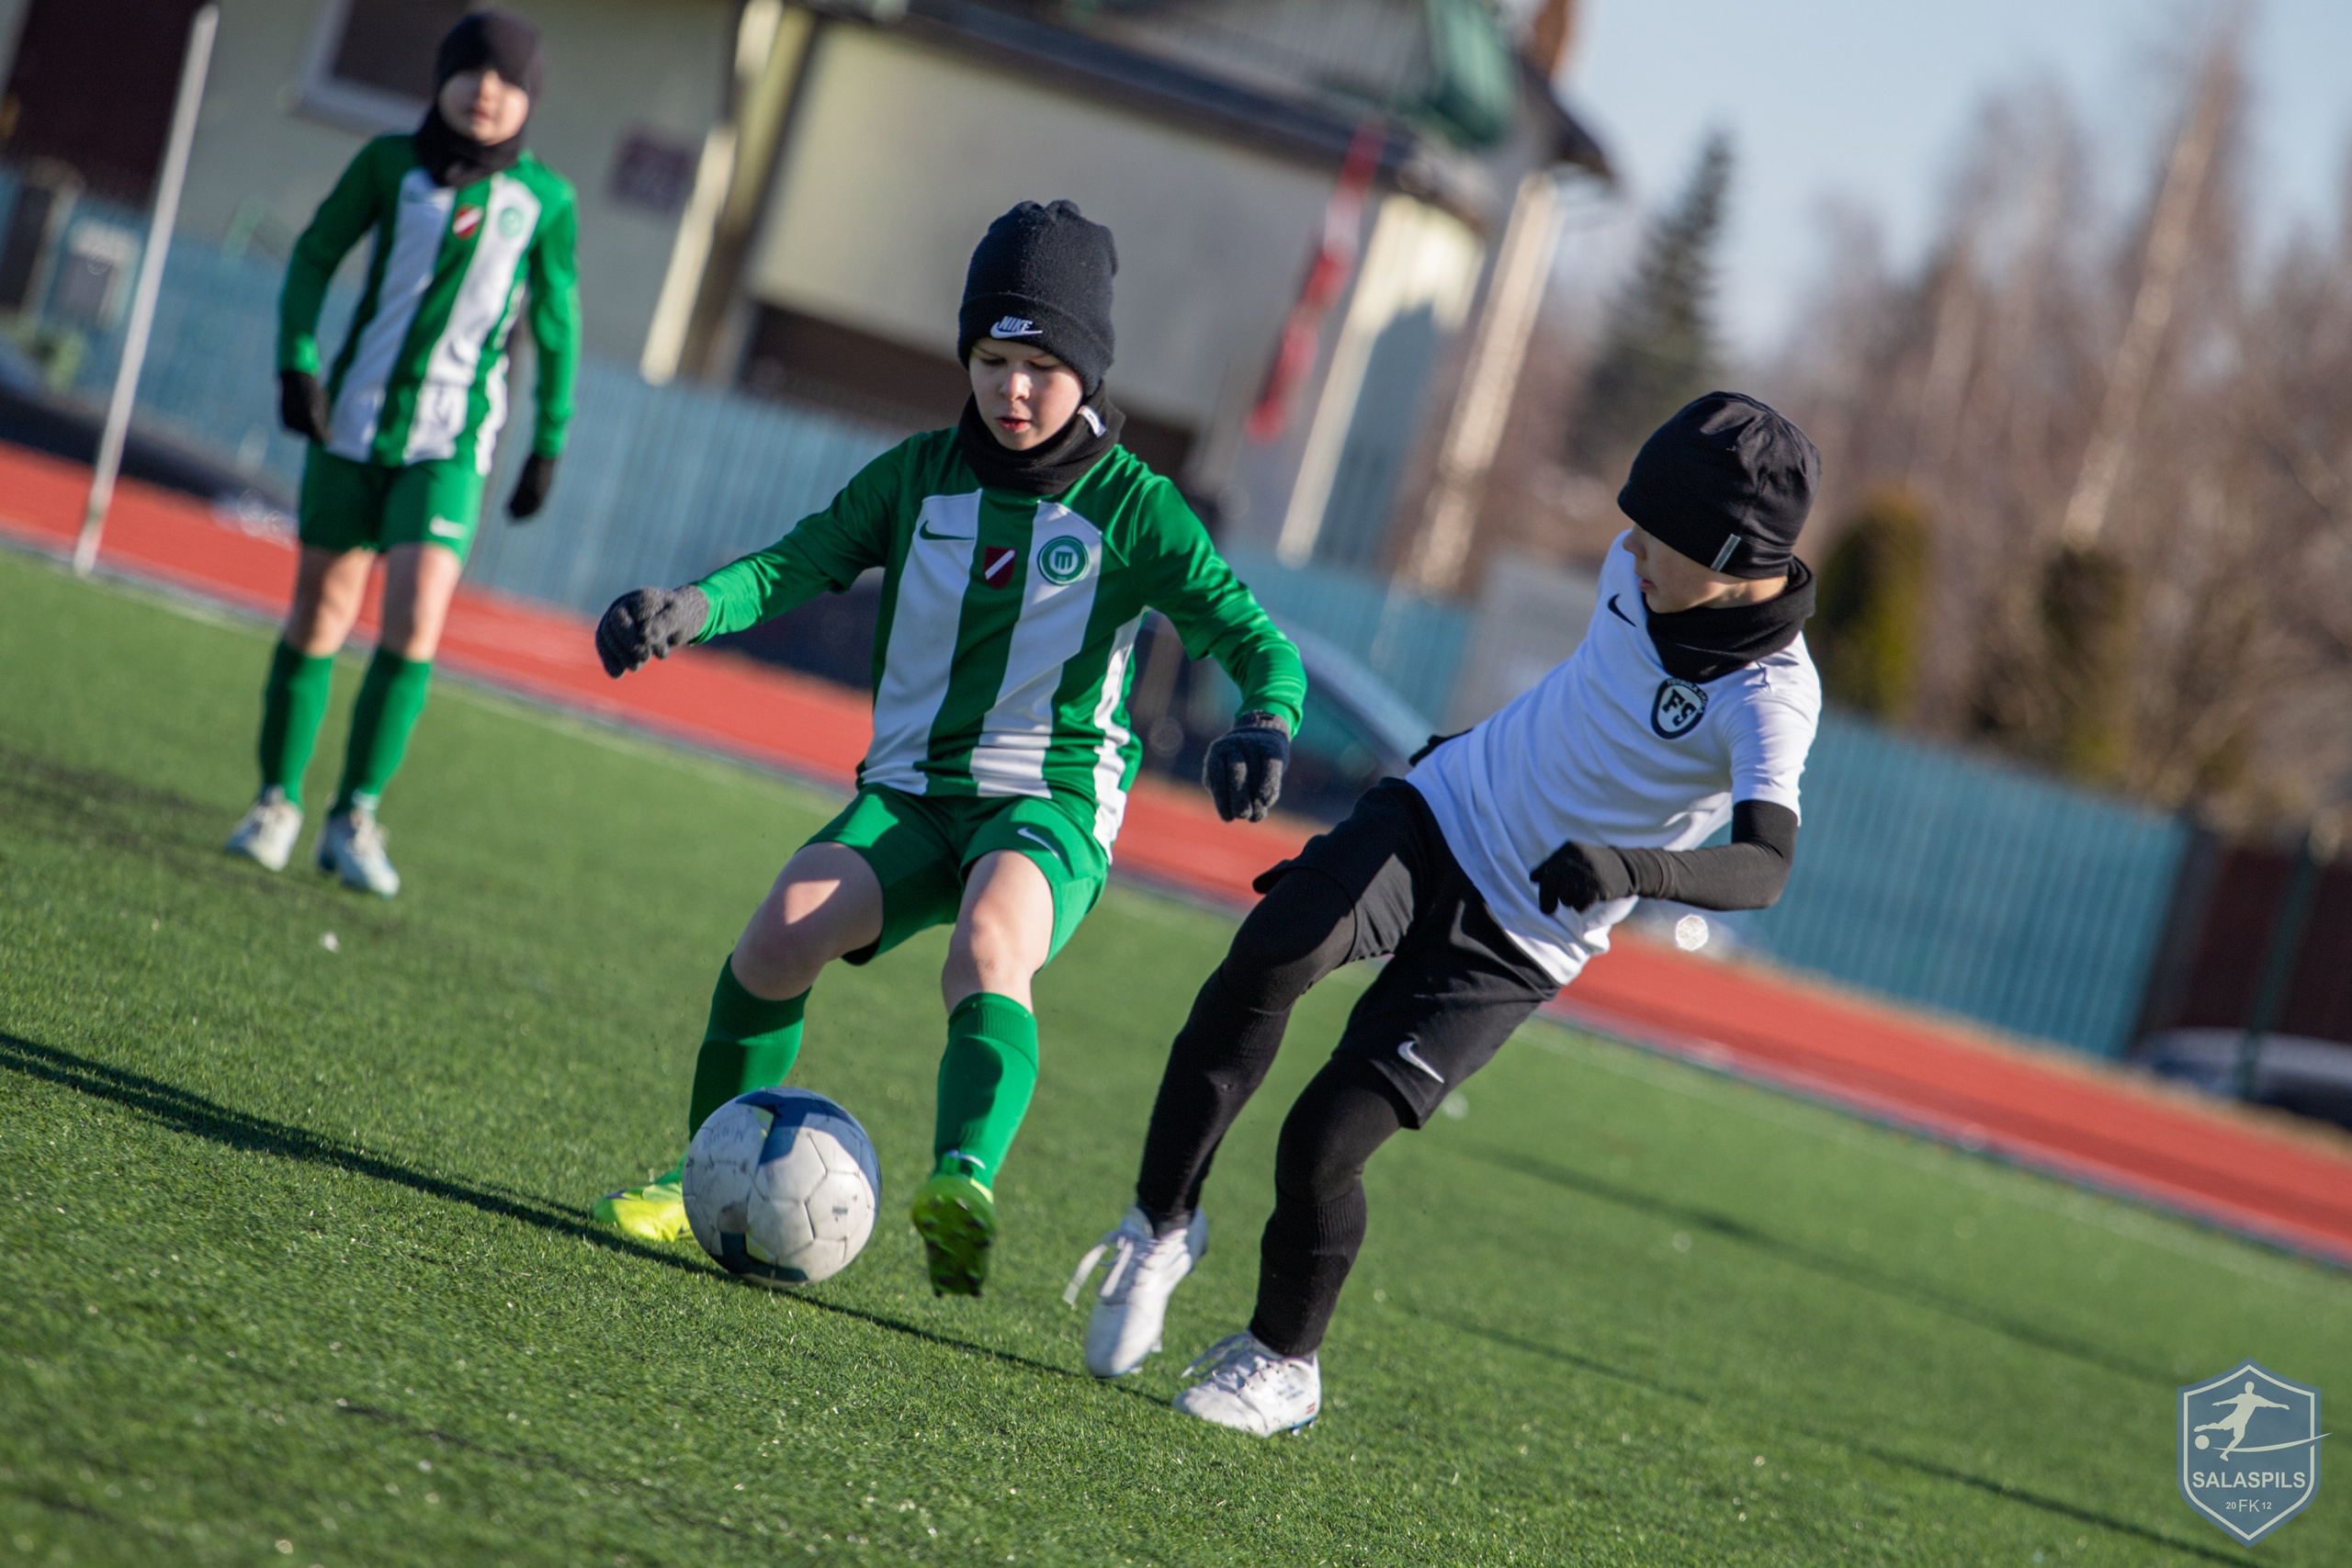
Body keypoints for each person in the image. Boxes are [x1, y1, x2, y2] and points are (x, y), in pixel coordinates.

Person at [587, 200, 1306, 1300]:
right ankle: (703, 1185)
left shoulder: (1134, 507)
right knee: (775, 939)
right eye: (990, 359)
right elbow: (796, 564)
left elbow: (1251, 638)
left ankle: (960, 1182)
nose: (1012, 392)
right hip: (912, 796)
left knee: (986, 946)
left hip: (1049, 803)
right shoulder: (916, 477)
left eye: (1041, 367)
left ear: (1088, 372)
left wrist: (1267, 720)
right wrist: (690, 605)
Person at [1069, 392, 1825, 1433]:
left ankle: (1283, 1363)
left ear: (1735, 550)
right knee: (1273, 952)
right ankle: (1159, 1225)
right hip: (1444, 807)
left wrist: (1625, 868)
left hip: (1522, 937)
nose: (1631, 548)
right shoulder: (1639, 563)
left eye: (1659, 538)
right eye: (1635, 524)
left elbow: (1764, 866)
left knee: (1322, 1141)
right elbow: (1583, 711)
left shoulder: (1770, 696)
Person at [224, 11, 578, 897]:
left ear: (530, 97)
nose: (486, 91)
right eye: (471, 71)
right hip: (353, 423)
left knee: (417, 617)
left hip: (454, 441)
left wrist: (549, 442)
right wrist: (296, 363)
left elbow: (558, 325)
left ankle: (355, 814)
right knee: (319, 617)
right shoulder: (387, 164)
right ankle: (276, 802)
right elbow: (312, 257)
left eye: (507, 79)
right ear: (442, 78)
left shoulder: (546, 201)